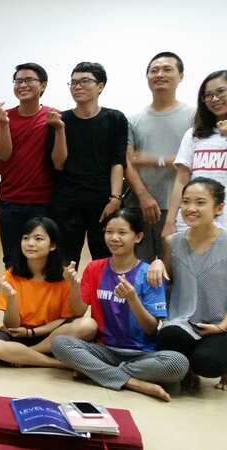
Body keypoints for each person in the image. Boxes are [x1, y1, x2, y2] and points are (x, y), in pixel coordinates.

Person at [52, 209, 188, 401]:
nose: (114, 238)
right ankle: (134, 382)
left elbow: (150, 329)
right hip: (104, 350)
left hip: (141, 355)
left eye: (122, 233)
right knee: (61, 343)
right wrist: (73, 287)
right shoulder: (94, 268)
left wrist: (132, 298)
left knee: (177, 363)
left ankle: (97, 372)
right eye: (109, 232)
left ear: (138, 237)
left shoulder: (149, 274)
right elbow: (78, 311)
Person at [0, 217, 98, 368]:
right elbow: (11, 325)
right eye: (26, 238)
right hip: (18, 334)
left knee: (89, 325)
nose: (30, 243)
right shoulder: (10, 275)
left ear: (53, 245)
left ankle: (27, 354)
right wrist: (11, 298)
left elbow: (69, 318)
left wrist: (32, 333)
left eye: (38, 239)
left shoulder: (64, 275)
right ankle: (57, 364)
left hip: (52, 335)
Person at [152, 178, 227, 390]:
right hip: (183, 322)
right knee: (168, 336)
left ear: (218, 208)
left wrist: (221, 326)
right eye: (186, 202)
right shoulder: (171, 242)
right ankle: (187, 369)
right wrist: (157, 263)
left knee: (209, 363)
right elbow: (164, 283)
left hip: (220, 325)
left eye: (200, 202)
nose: (191, 208)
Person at [49, 62, 128, 264]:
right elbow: (58, 163)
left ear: (100, 86)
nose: (77, 86)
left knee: (105, 259)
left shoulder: (115, 119)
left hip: (103, 201)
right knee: (65, 261)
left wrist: (115, 198)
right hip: (67, 201)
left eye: (85, 81)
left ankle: (102, 296)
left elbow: (117, 161)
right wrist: (59, 130)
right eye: (73, 82)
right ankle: (67, 297)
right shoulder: (60, 120)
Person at [0, 63, 63, 267]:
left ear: (43, 85)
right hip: (10, 202)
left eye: (29, 80)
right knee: (12, 261)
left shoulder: (54, 117)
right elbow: (4, 155)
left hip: (44, 203)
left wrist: (58, 129)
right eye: (18, 81)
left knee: (42, 262)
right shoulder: (1, 118)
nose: (23, 84)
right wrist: (4, 124)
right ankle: (15, 300)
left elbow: (60, 162)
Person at [124, 52, 195, 261]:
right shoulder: (133, 120)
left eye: (167, 69)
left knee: (175, 271)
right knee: (139, 271)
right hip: (139, 206)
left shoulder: (194, 116)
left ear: (181, 76)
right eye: (154, 70)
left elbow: (191, 161)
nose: (159, 74)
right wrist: (144, 197)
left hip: (181, 208)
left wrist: (155, 160)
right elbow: (128, 161)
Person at [163, 70, 227, 236]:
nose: (214, 99)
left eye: (220, 92)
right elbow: (181, 179)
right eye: (208, 95)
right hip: (192, 220)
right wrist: (170, 221)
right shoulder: (194, 134)